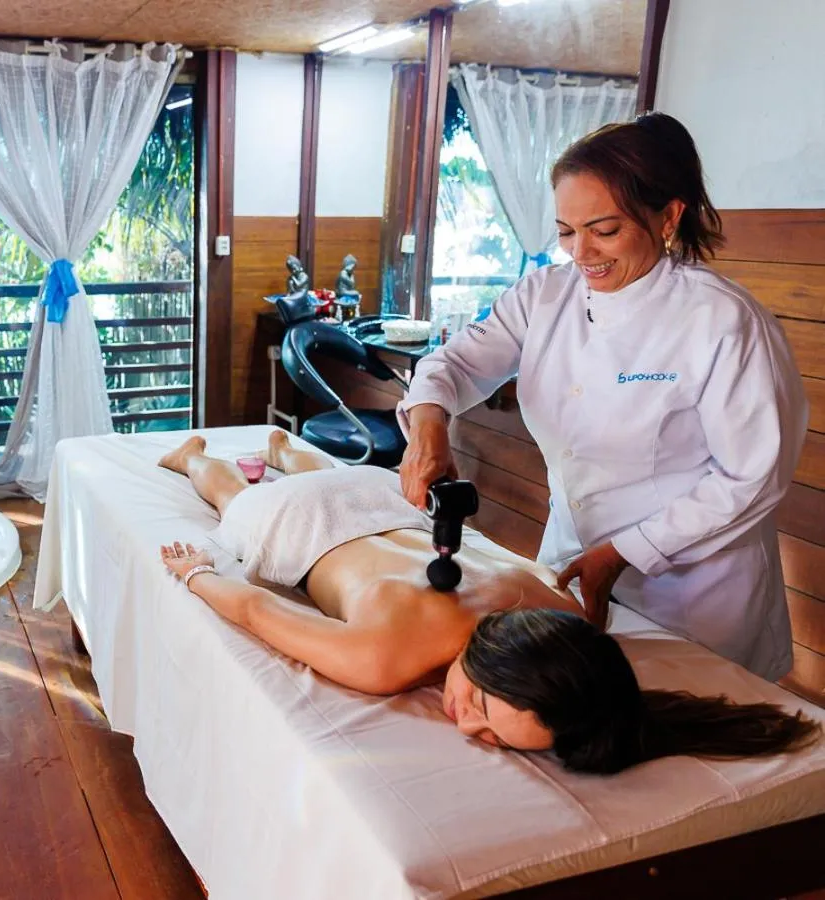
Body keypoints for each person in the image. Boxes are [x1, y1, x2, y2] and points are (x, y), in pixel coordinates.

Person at [397, 113, 807, 681]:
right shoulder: (545, 295)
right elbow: (456, 362)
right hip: (572, 558)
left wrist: (623, 553)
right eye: (566, 231)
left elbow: (750, 477)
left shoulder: (722, 321)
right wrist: (428, 426)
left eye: (604, 230)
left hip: (693, 591)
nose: (581, 252)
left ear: (667, 216)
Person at [157, 431, 818, 774]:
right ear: (500, 664)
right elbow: (256, 610)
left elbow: (589, 627)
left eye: (491, 737)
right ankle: (193, 459)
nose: (466, 724)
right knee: (231, 498)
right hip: (298, 526)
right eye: (481, 705)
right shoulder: (389, 655)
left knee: (330, 480)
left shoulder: (555, 621)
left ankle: (285, 451)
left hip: (380, 499)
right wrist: (196, 574)